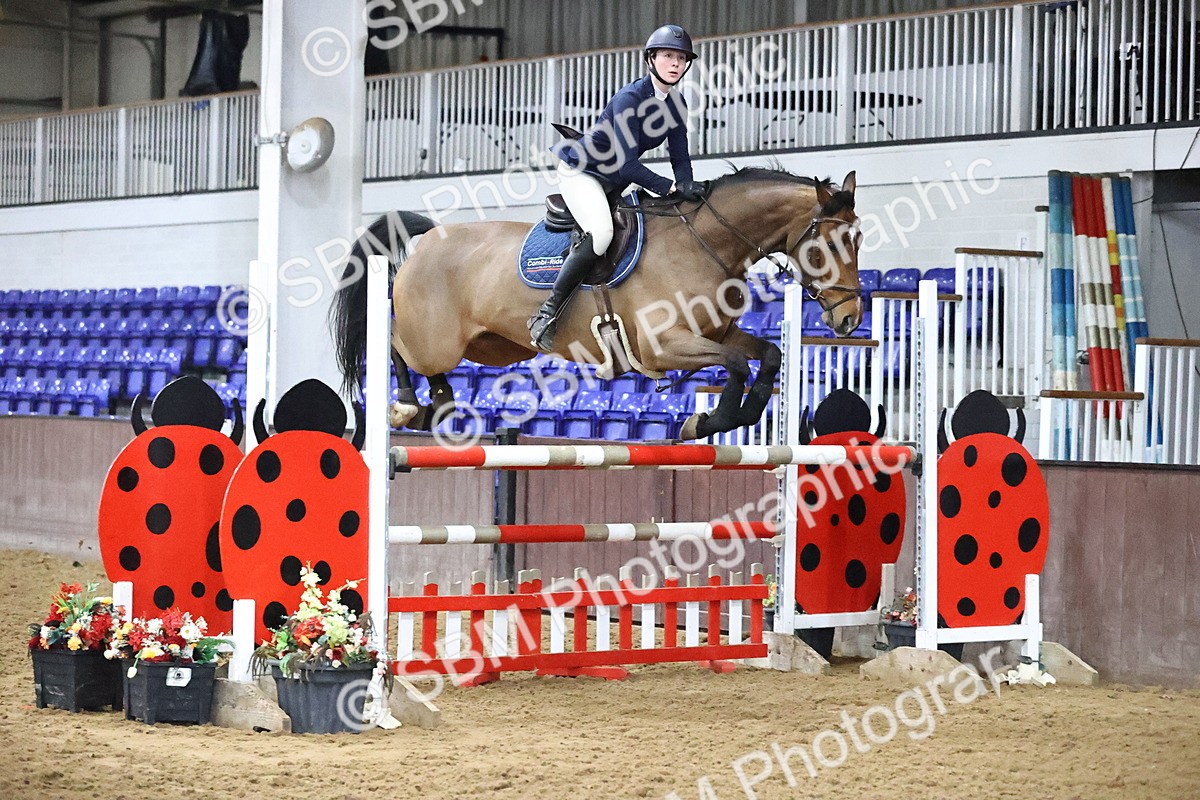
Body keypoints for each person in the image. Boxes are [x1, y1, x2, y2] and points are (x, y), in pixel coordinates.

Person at [527, 23, 706, 353]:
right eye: (668, 56)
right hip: (585, 171)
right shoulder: (628, 99)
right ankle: (547, 314)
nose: (676, 64)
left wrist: (687, 186)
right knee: (602, 233)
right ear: (651, 59)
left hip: (616, 179)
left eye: (681, 58)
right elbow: (628, 165)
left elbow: (680, 156)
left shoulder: (676, 104)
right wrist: (668, 188)